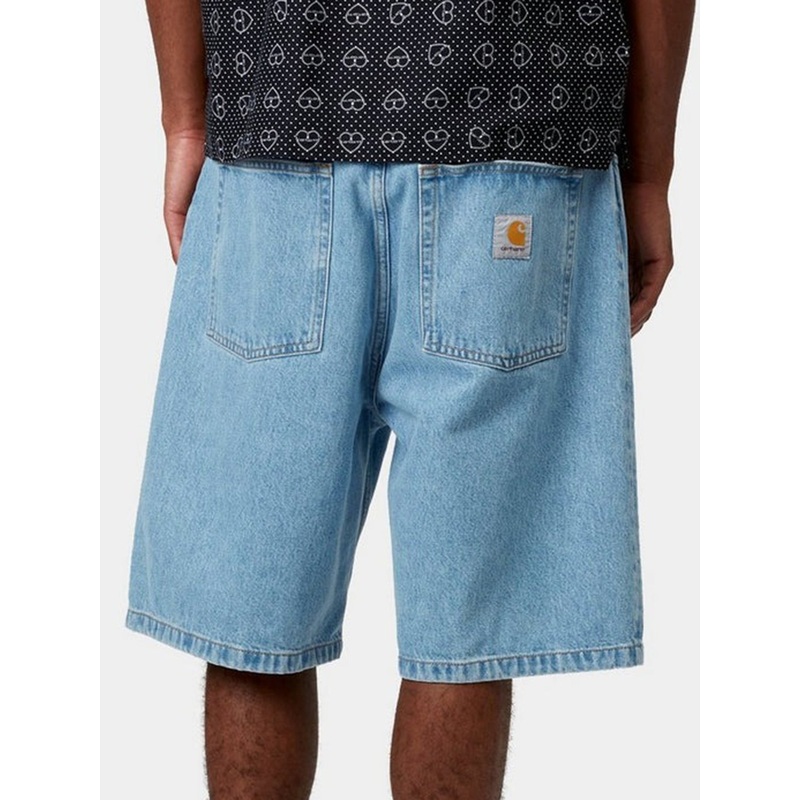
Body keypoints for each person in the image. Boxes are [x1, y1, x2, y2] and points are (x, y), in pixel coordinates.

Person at [125, 1, 694, 797]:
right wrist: (649, 171)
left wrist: (188, 119)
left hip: (278, 114)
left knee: (257, 610)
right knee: (467, 620)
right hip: (513, 114)